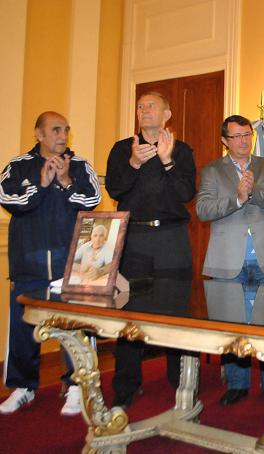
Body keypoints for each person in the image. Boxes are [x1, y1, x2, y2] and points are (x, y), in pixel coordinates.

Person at [0, 111, 101, 416]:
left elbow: (92, 201)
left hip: (70, 266)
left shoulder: (80, 166)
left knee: (76, 327)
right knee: (22, 328)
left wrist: (67, 182)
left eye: (66, 130)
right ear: (39, 134)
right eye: (56, 130)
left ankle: (77, 385)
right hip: (27, 265)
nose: (63, 135)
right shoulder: (18, 166)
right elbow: (10, 200)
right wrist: (42, 184)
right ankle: (23, 387)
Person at [105, 91, 196, 409]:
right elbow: (114, 188)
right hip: (135, 239)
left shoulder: (182, 150)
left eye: (151, 106)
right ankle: (125, 388)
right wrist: (134, 163)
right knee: (129, 314)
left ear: (167, 114)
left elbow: (186, 193)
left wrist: (168, 161)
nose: (144, 110)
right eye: (140, 106)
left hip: (172, 238)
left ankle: (181, 383)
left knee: (176, 313)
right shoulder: (122, 149)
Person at [196, 114, 264, 406]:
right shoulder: (212, 170)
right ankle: (237, 384)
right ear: (224, 140)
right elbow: (203, 209)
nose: (243, 141)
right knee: (231, 326)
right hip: (227, 259)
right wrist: (237, 198)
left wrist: (254, 192)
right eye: (236, 136)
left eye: (247, 134)